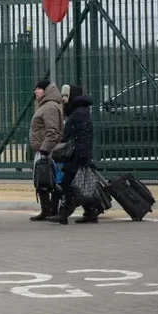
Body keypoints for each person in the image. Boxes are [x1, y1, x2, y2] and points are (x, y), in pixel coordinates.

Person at [48, 85, 99, 225]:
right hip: (77, 153)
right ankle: (91, 212)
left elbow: (84, 135)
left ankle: (64, 213)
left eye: (66, 95)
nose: (63, 98)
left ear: (73, 96)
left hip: (78, 154)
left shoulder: (79, 112)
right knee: (79, 185)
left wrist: (84, 156)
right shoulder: (77, 110)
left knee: (67, 183)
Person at [28, 80, 64, 221]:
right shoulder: (44, 106)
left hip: (46, 151)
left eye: (39, 89)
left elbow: (53, 131)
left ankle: (49, 210)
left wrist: (44, 149)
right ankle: (47, 209)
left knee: (46, 179)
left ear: (47, 91)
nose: (36, 91)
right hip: (43, 149)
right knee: (43, 179)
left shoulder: (49, 107)